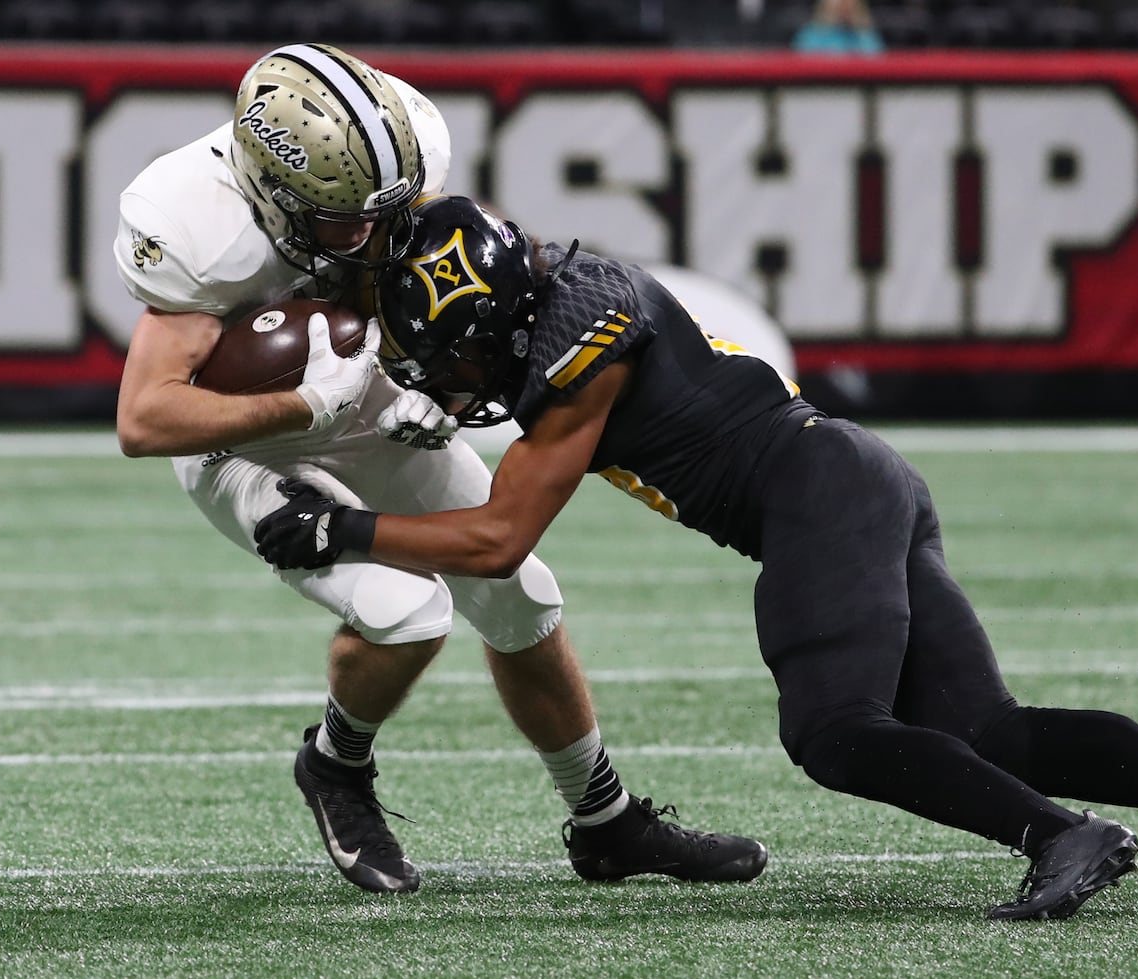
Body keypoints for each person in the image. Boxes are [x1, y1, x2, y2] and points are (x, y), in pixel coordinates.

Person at [253, 195, 1138, 920]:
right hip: (845, 477)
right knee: (988, 732)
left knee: (832, 729)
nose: (448, 379)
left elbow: (498, 538)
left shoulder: (582, 355)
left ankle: (1060, 834)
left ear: (498, 321)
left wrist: (343, 529)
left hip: (814, 496)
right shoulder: (555, 290)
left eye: (452, 357)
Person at [112, 44, 767, 896]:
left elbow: (440, 238)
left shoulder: (399, 147)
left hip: (360, 395)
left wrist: (426, 371)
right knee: (407, 612)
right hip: (242, 441)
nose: (376, 234)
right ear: (275, 192)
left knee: (522, 595)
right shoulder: (197, 227)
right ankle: (336, 766)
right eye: (352, 219)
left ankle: (605, 823)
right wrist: (306, 406)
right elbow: (145, 417)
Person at [792, 0, 885, 55]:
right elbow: (802, 62)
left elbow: (877, 59)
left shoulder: (866, 35)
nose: (845, 4)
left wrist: (858, 28)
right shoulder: (811, 35)